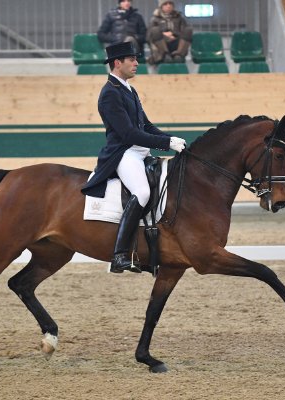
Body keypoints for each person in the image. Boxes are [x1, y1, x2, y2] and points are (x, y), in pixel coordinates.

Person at [81, 42, 187, 273]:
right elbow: (128, 133)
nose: (137, 63)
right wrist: (166, 143)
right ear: (118, 63)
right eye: (132, 59)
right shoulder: (109, 92)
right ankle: (119, 255)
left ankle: (150, 250)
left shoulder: (129, 89)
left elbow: (146, 125)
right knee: (142, 192)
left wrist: (172, 139)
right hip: (123, 152)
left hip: (140, 151)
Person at [147, 0, 193, 64]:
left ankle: (178, 54)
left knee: (188, 30)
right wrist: (163, 34)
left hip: (177, 43)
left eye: (170, 3)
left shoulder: (179, 18)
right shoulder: (154, 19)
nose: (168, 6)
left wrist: (173, 34)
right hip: (161, 44)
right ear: (161, 6)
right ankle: (164, 54)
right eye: (165, 4)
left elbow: (184, 32)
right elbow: (148, 36)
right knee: (155, 30)